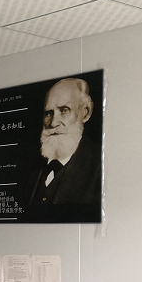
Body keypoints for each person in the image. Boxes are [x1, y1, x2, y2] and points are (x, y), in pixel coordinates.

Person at [25, 77, 101, 222]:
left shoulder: (99, 164)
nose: (53, 123)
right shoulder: (30, 166)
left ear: (86, 112)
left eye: (64, 110)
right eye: (48, 113)